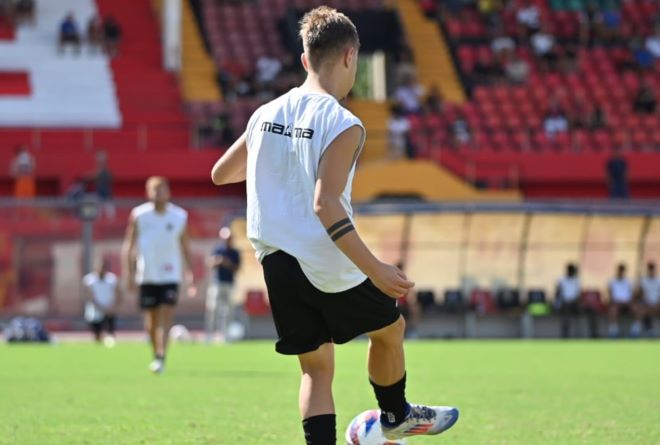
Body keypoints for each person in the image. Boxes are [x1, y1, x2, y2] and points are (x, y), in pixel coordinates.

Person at [210, 7, 459, 444]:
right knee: (390, 330)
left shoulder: (265, 113)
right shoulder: (343, 122)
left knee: (315, 368)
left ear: (305, 59)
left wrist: (277, 158)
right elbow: (325, 205)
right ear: (350, 57)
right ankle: (395, 415)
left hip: (275, 260)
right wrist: (376, 269)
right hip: (324, 256)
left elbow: (221, 174)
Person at [122, 176, 195, 374]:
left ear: (168, 192)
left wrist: (190, 274)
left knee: (166, 313)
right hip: (147, 274)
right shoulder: (139, 215)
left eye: (162, 189)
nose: (158, 193)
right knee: (151, 319)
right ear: (148, 193)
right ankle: (156, 354)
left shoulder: (179, 216)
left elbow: (186, 246)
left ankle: (162, 356)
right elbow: (129, 245)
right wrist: (128, 272)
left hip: (170, 274)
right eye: (154, 190)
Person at [205, 226, 241, 343]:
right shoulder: (218, 250)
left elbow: (237, 268)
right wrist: (217, 261)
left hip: (229, 284)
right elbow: (210, 264)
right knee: (213, 309)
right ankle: (209, 335)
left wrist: (227, 263)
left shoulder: (235, 252)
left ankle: (226, 336)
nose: (227, 241)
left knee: (228, 311)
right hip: (217, 283)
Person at [83, 257, 121, 346]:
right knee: (97, 336)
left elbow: (118, 294)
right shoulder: (89, 280)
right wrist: (100, 308)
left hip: (109, 310)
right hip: (95, 312)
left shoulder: (112, 279)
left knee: (111, 334)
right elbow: (88, 296)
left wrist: (113, 307)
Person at [633, 261, 660, 337]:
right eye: (650, 269)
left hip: (657, 304)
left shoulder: (659, 281)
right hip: (646, 304)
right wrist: (648, 303)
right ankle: (635, 330)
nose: (651, 271)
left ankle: (650, 329)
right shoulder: (643, 281)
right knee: (640, 309)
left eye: (652, 269)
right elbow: (642, 294)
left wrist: (657, 303)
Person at [607, 263, 634, 338]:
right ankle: (614, 331)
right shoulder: (612, 281)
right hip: (616, 303)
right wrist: (616, 301)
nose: (621, 272)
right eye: (620, 271)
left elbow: (632, 295)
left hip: (627, 304)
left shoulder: (629, 282)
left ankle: (635, 331)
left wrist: (628, 302)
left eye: (622, 271)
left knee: (637, 309)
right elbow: (610, 295)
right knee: (613, 310)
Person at [555, 263, 581, 338]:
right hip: (563, 303)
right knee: (566, 309)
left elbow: (578, 295)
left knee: (590, 310)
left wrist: (576, 302)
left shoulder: (576, 281)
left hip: (574, 303)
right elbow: (558, 294)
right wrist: (558, 303)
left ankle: (590, 333)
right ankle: (565, 334)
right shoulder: (561, 280)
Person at [92, 150, 115, 220]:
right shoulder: (98, 170)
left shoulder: (106, 171)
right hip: (100, 192)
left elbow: (110, 178)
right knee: (98, 210)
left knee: (109, 209)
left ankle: (112, 221)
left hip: (106, 192)